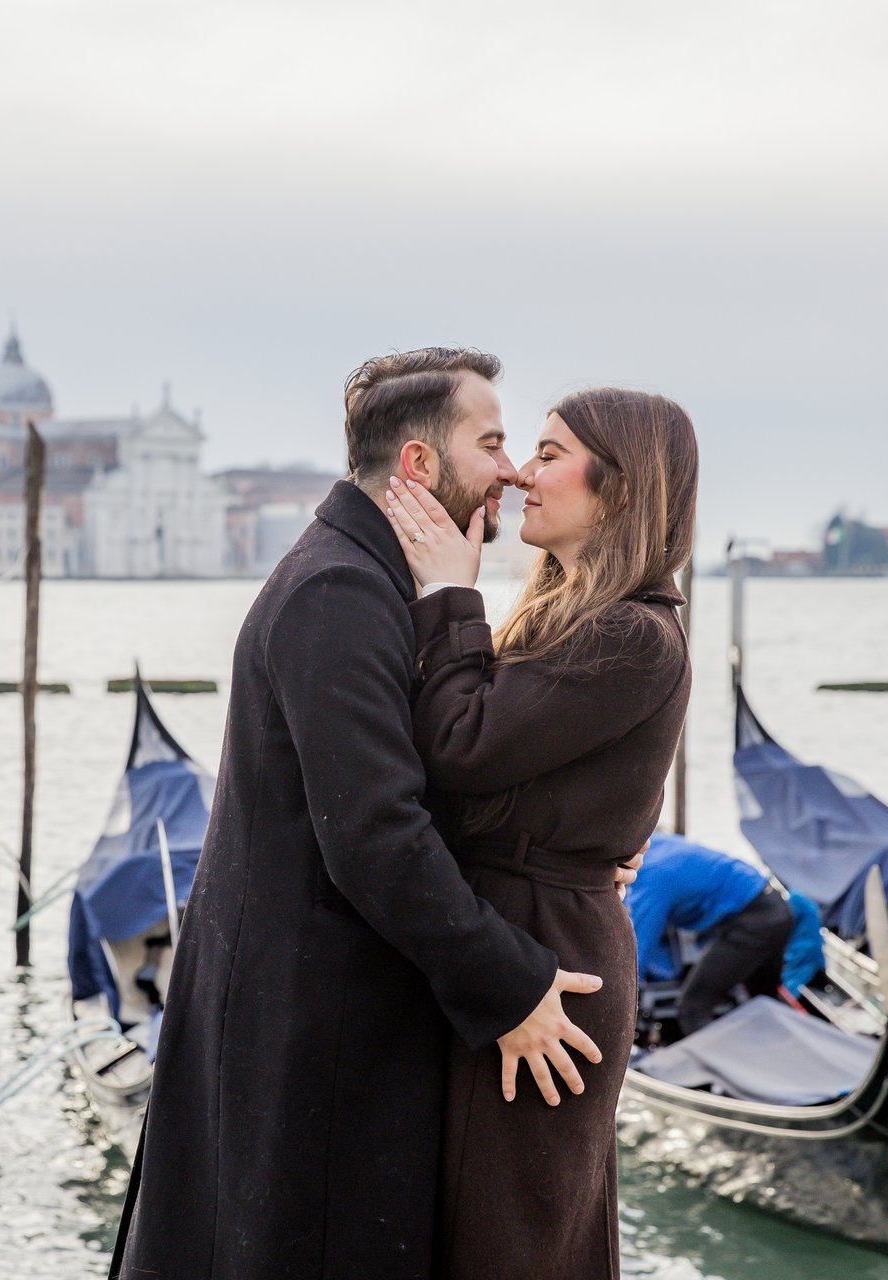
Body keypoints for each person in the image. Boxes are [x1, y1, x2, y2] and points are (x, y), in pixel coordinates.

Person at [110, 349, 637, 1279]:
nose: (511, 470)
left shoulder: (368, 578)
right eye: (492, 443)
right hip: (313, 1033)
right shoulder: (341, 593)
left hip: (334, 1019)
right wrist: (512, 985)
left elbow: (434, 775)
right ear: (420, 465)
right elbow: (375, 833)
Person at [385, 386, 697, 1279]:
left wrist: (450, 593)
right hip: (524, 938)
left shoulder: (634, 634)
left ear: (621, 487)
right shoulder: (582, 623)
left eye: (551, 454)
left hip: (549, 965)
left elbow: (462, 744)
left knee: (511, 1244)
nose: (523, 472)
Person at [626, 833, 798, 1035]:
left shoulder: (650, 879)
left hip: (754, 921)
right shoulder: (651, 842)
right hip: (774, 907)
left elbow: (634, 958)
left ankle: (720, 1056)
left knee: (692, 1009)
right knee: (764, 998)